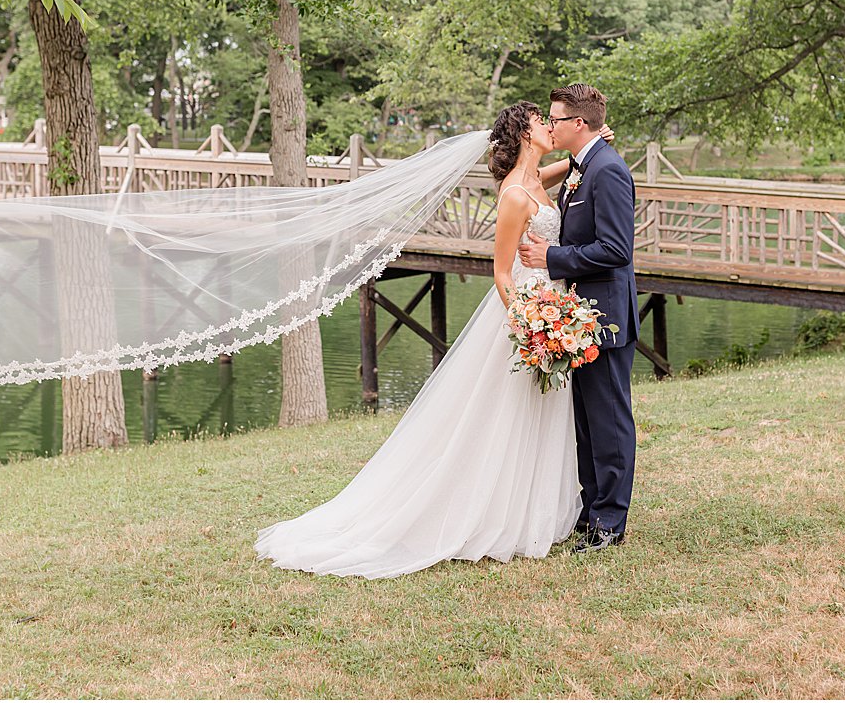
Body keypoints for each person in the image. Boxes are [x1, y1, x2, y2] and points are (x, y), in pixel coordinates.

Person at [255, 101, 616, 578]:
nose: (550, 127)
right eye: (541, 123)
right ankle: (487, 512)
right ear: (526, 135)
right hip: (528, 312)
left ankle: (534, 512)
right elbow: (501, 272)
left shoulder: (534, 181)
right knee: (500, 415)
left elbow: (547, 176)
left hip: (553, 307)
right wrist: (529, 326)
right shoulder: (513, 195)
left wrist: (584, 153)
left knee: (539, 412)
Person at [518, 84, 638, 552]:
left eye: (556, 119)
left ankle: (611, 525)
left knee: (609, 423)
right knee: (587, 425)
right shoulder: (582, 168)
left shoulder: (607, 172)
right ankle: (591, 516)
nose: (550, 126)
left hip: (606, 317)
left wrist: (553, 255)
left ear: (578, 124)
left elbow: (615, 250)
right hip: (581, 317)